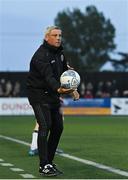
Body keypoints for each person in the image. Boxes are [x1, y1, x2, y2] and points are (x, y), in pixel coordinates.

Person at [27, 25, 79, 177]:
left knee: (58, 127)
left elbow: (64, 72)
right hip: (38, 94)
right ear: (46, 37)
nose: (58, 38)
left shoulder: (60, 53)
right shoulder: (40, 56)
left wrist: (72, 88)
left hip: (52, 95)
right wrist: (60, 90)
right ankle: (43, 165)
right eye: (55, 35)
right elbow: (49, 77)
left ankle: (48, 162)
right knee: (45, 125)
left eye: (60, 36)